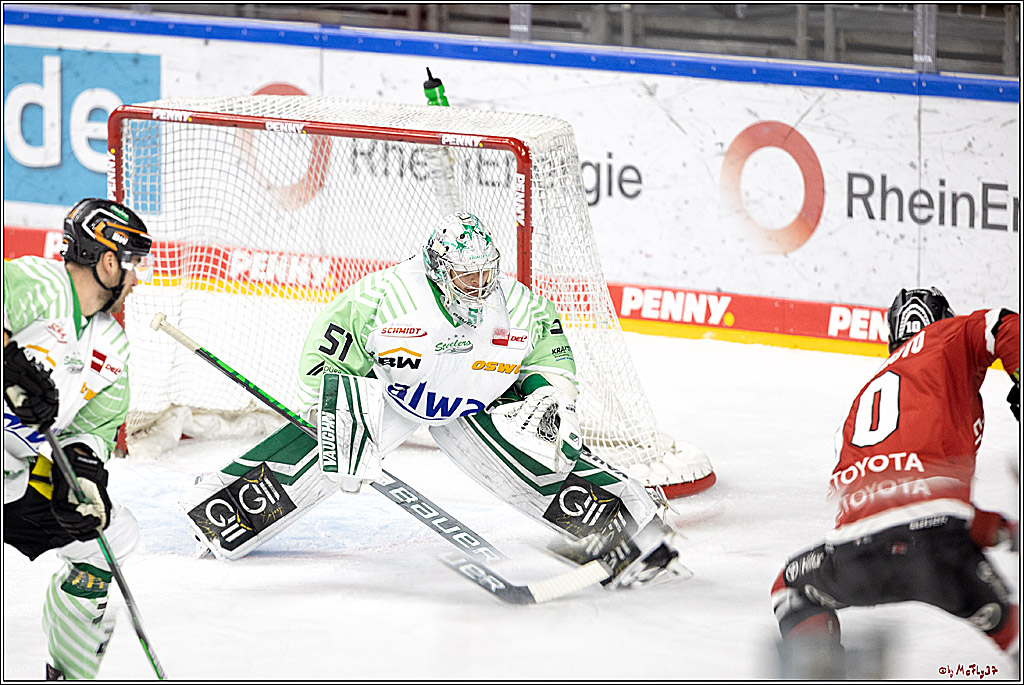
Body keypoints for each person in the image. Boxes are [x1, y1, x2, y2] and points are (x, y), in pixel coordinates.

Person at [185, 211, 700, 588]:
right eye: (466, 276)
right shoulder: (384, 298)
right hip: (390, 396)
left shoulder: (517, 305)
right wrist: (339, 423)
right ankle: (222, 511)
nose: (480, 287)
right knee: (319, 455)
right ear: (437, 269)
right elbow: (326, 360)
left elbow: (551, 353)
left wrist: (548, 397)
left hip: (473, 404)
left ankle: (627, 530)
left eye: (486, 272)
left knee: (542, 454)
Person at [771, 287, 1019, 671]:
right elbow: (1003, 324)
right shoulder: (949, 337)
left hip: (855, 554)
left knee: (789, 588)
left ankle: (822, 674)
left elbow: (896, 504)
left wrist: (1004, 530)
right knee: (1013, 631)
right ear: (945, 318)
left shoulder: (860, 406)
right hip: (938, 551)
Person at [4, 198, 153, 680]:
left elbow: (90, 432)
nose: (136, 279)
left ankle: (67, 673)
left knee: (107, 537)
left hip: (15, 472)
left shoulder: (113, 347)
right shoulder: (38, 285)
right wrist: (10, 365)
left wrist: (84, 479)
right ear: (108, 260)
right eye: (132, 265)